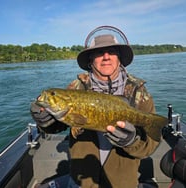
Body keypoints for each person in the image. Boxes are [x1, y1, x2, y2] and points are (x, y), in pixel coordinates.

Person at [31, 25, 160, 188]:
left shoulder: (138, 91)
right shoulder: (75, 88)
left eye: (112, 51)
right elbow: (57, 126)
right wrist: (44, 121)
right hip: (82, 182)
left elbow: (149, 146)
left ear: (119, 58)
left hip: (121, 183)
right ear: (91, 60)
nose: (106, 57)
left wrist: (131, 141)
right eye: (99, 53)